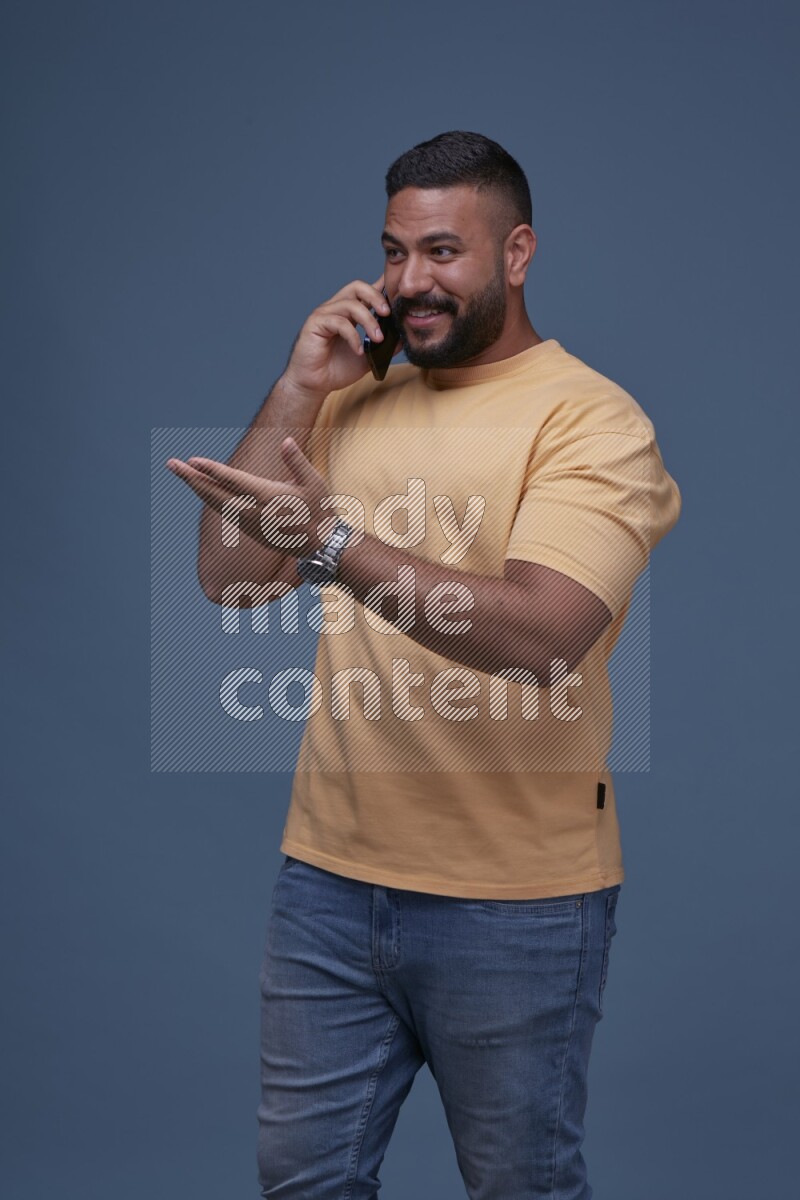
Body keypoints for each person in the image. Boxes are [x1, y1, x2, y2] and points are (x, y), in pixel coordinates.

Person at [166, 130, 681, 1199]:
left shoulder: (591, 421)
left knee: (519, 1188)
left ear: (517, 253)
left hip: (517, 902)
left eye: (442, 251)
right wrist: (299, 386)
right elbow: (231, 578)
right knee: (303, 1183)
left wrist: (332, 544)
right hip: (327, 882)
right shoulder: (352, 403)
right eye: (394, 253)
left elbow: (541, 638)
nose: (408, 283)